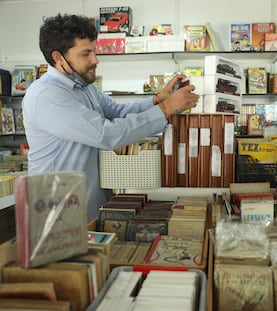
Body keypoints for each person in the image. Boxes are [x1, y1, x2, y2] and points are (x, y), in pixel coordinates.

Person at [22, 13, 200, 221]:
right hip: (58, 214)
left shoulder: (83, 87)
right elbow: (107, 134)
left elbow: (118, 113)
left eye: (95, 51)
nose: (95, 60)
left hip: (88, 204)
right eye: (86, 54)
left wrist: (159, 99)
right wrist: (166, 108)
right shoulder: (46, 96)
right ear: (58, 57)